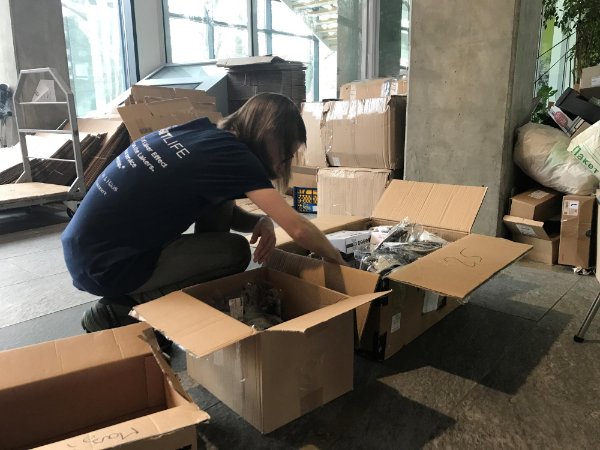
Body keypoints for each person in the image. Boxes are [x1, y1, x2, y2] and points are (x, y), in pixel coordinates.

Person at [61, 92, 346, 334]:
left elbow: (225, 210)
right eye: (286, 154)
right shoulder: (237, 157)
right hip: (107, 266)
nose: (284, 164)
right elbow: (298, 228)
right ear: (270, 133)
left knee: (219, 202)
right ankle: (117, 310)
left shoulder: (203, 136)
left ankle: (160, 295)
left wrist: (261, 220)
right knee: (234, 253)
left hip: (87, 248)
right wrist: (337, 260)